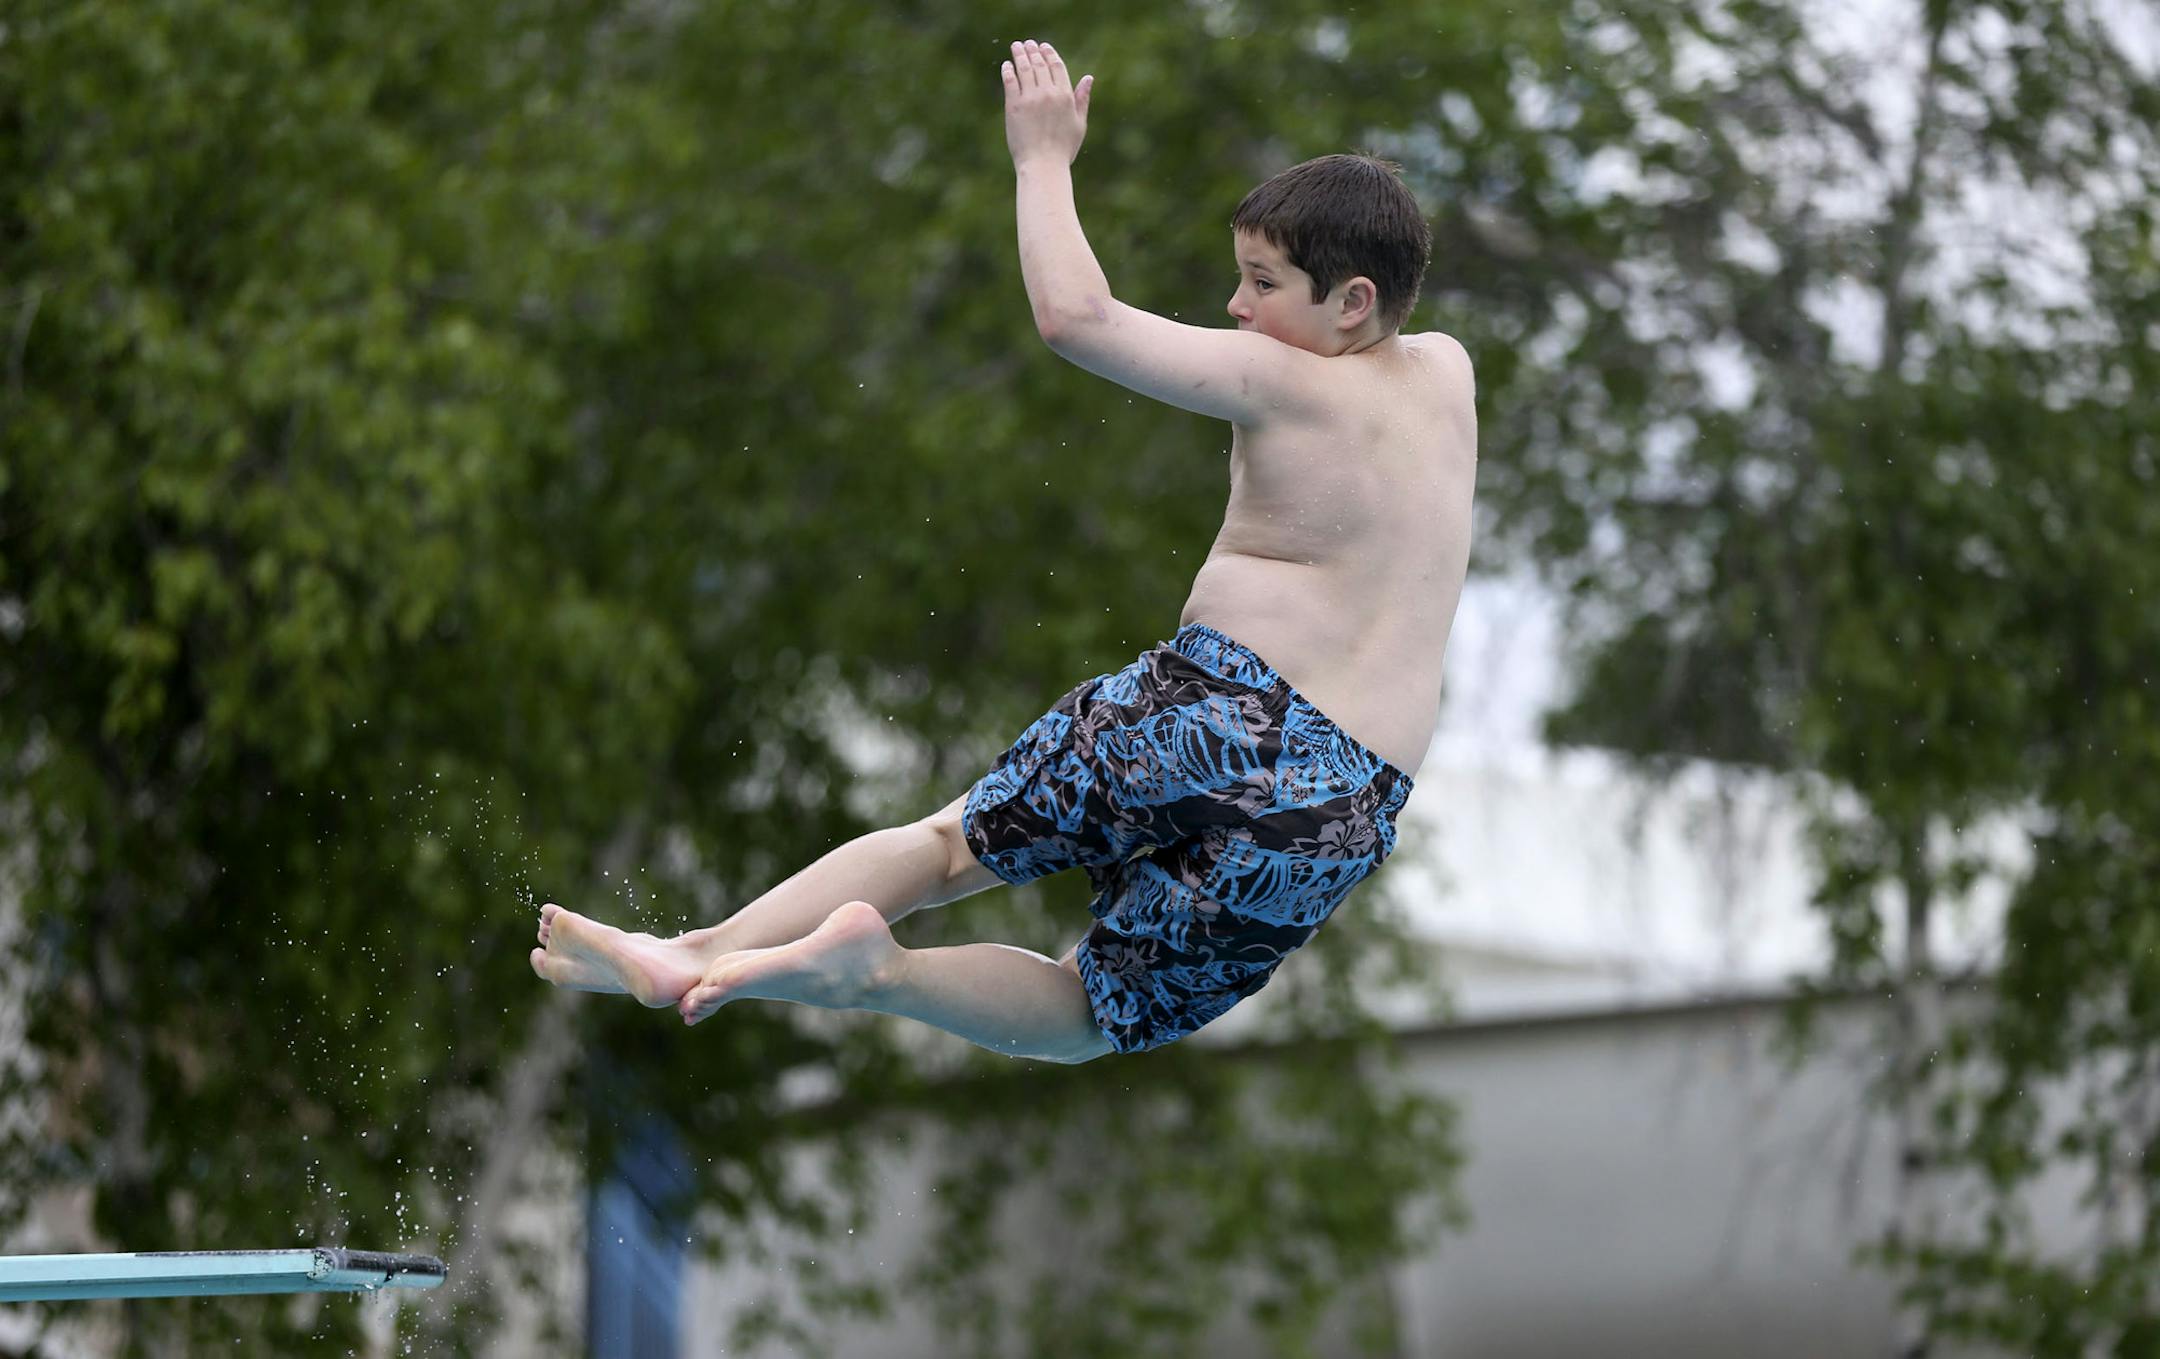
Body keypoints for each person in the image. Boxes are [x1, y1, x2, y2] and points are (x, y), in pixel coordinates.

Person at [531, 38, 1476, 1063]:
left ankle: (696, 951)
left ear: (1353, 304)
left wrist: (1043, 161)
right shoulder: (1448, 377)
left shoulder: (1281, 379)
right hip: (1343, 803)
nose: (1238, 309)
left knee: (944, 851)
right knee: (1087, 1019)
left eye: (1263, 283)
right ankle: (878, 976)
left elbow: (1078, 318)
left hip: (1222, 711)